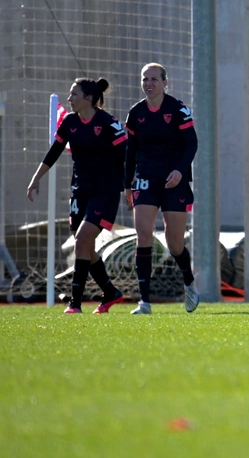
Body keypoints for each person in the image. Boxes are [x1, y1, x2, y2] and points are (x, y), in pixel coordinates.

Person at [26, 78, 128, 314]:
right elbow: (55, 151)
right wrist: (36, 178)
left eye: (74, 94)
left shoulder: (108, 123)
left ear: (89, 98)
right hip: (79, 192)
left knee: (82, 239)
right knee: (84, 245)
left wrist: (130, 187)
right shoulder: (70, 122)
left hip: (105, 192)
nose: (70, 98)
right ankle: (110, 291)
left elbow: (127, 155)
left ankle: (75, 303)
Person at [123, 63, 199, 315]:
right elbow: (130, 151)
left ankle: (188, 281)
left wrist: (179, 171)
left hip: (173, 180)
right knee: (143, 234)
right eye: (145, 79)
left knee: (174, 243)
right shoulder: (135, 113)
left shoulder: (178, 110)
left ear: (165, 83)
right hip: (145, 179)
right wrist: (127, 183)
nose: (149, 83)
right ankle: (144, 302)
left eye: (154, 79)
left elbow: (191, 144)